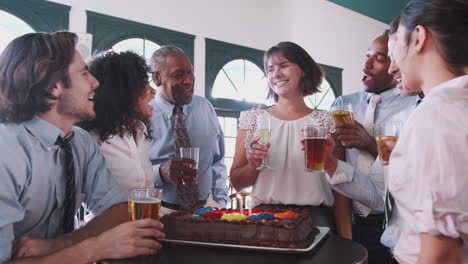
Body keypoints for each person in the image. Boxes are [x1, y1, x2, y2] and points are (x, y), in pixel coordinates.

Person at [0, 32, 164, 263]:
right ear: (54, 86)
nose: (95, 82)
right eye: (85, 73)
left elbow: (120, 209)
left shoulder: (79, 142)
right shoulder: (6, 151)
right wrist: (95, 247)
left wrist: (60, 244)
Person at [230, 41, 352, 238]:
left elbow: (342, 190)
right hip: (265, 221)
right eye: (270, 69)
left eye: (284, 65)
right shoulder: (253, 120)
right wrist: (253, 165)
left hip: (317, 221)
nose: (276, 74)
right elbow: (237, 182)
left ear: (303, 70)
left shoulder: (326, 122)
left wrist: (347, 243)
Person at [387, 0, 468, 263]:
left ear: (419, 37)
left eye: (398, 40)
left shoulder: (436, 114)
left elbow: (443, 254)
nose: (393, 66)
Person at [330, 31, 418, 263]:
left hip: (393, 228)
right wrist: (346, 237)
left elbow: (405, 176)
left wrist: (370, 144)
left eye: (379, 58)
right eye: (366, 55)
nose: (367, 64)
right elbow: (343, 180)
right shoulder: (342, 106)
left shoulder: (416, 106)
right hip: (348, 224)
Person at [149, 45, 229, 212]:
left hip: (206, 210)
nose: (188, 80)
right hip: (161, 211)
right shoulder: (143, 113)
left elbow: (217, 160)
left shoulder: (205, 107)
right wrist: (160, 173)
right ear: (157, 78)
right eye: (178, 75)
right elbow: (129, 172)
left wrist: (220, 203)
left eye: (190, 72)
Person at [79, 51, 156, 193]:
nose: (153, 91)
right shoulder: (93, 141)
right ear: (122, 92)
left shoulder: (141, 130)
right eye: (144, 85)